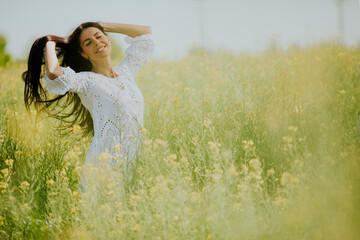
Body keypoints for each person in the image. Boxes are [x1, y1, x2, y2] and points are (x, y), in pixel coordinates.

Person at [22, 22, 155, 192]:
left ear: (108, 39)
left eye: (99, 37)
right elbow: (55, 73)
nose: (97, 42)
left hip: (135, 156)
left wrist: (102, 25)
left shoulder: (126, 72)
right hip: (107, 163)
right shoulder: (86, 81)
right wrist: (50, 42)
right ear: (83, 54)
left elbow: (145, 35)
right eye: (88, 43)